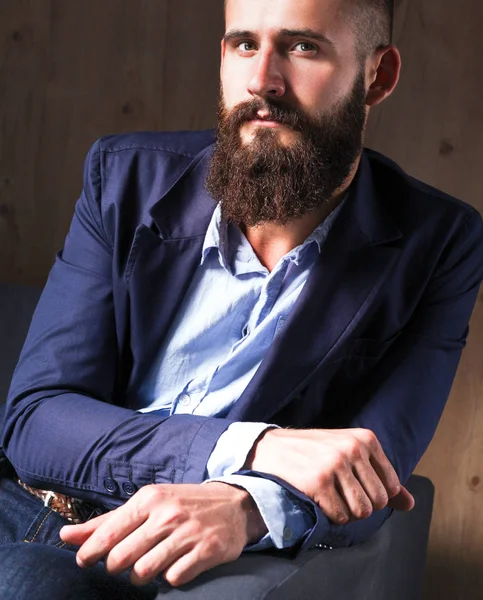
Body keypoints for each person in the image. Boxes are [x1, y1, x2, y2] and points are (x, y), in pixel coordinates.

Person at [0, 0, 482, 596]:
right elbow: (34, 419)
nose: (261, 81)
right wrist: (256, 447)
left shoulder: (439, 244)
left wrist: (247, 507)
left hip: (152, 555)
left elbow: (377, 470)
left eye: (303, 47)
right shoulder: (123, 177)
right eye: (243, 45)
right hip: (18, 505)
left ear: (376, 77)